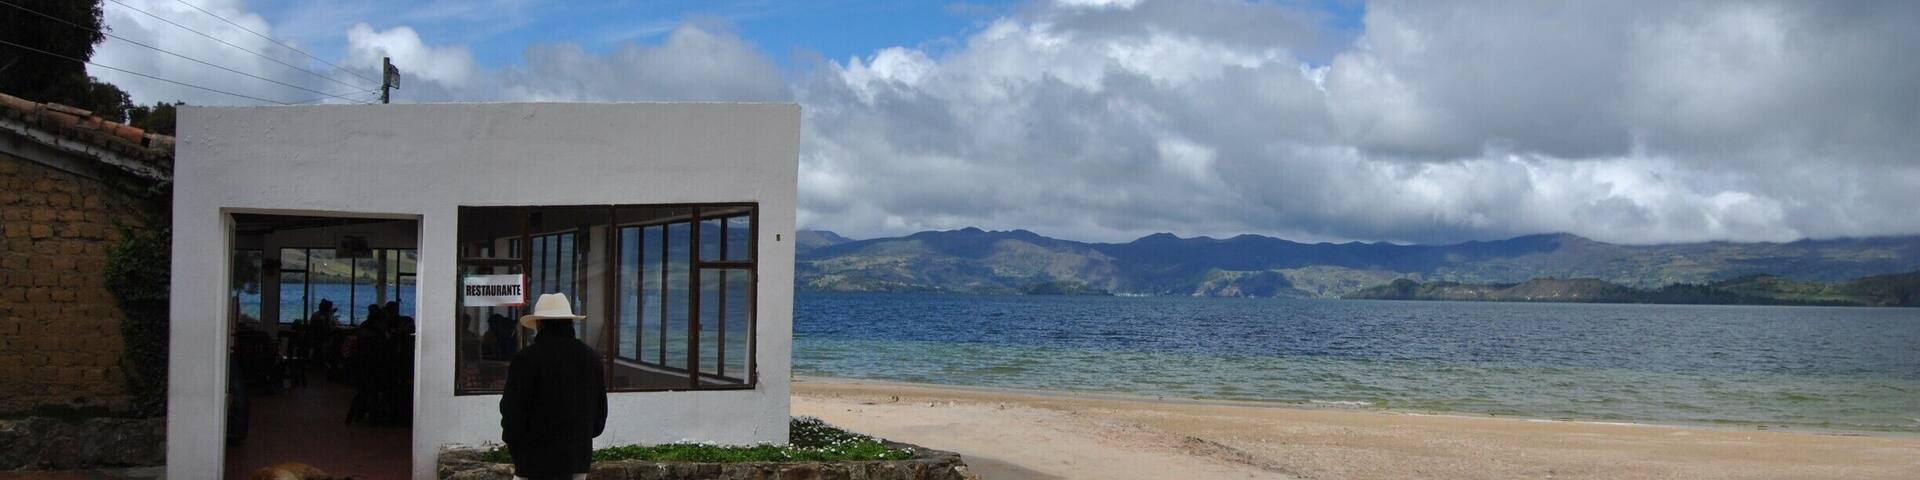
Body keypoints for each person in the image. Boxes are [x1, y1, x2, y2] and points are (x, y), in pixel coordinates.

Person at [499, 293, 606, 480]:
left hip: (533, 460)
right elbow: (599, 413)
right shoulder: (591, 358)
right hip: (576, 459)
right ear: (570, 323)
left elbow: (512, 410)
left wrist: (514, 443)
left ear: (539, 324)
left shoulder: (526, 359)